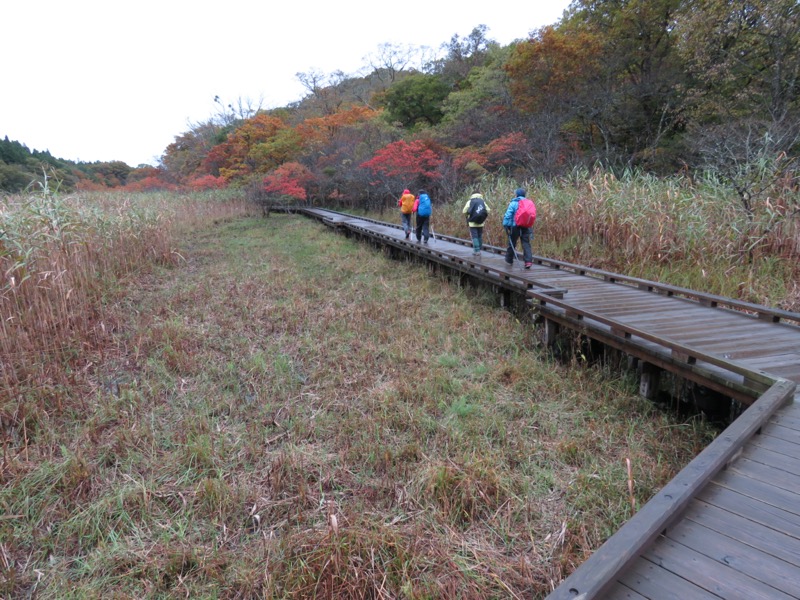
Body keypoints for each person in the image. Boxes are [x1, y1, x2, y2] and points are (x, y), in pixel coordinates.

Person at [502, 187, 534, 269]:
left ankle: (509, 260)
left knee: (512, 242)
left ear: (517, 194)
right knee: (526, 243)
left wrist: (505, 224)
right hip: (526, 226)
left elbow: (508, 215)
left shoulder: (514, 203)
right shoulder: (529, 203)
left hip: (515, 226)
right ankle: (528, 262)